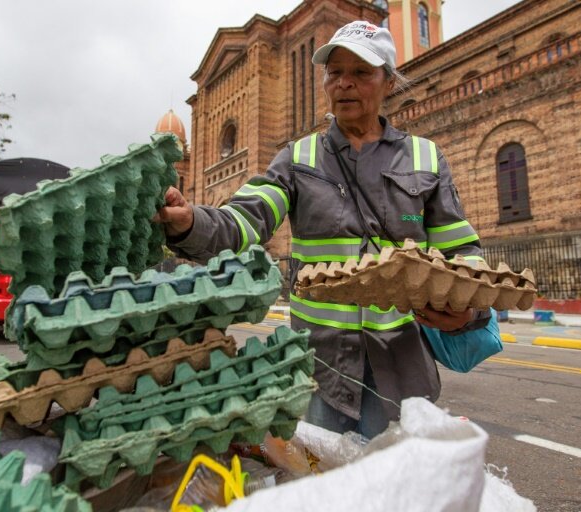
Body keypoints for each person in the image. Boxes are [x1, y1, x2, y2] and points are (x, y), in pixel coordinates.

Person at [155, 21, 496, 439]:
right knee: (323, 480)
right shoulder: (298, 158)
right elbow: (245, 220)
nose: (345, 84)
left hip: (401, 374)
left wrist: (466, 311)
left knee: (394, 490)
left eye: (361, 72)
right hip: (322, 369)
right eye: (335, 73)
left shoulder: (425, 158)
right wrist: (192, 221)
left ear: (387, 82)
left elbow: (463, 254)